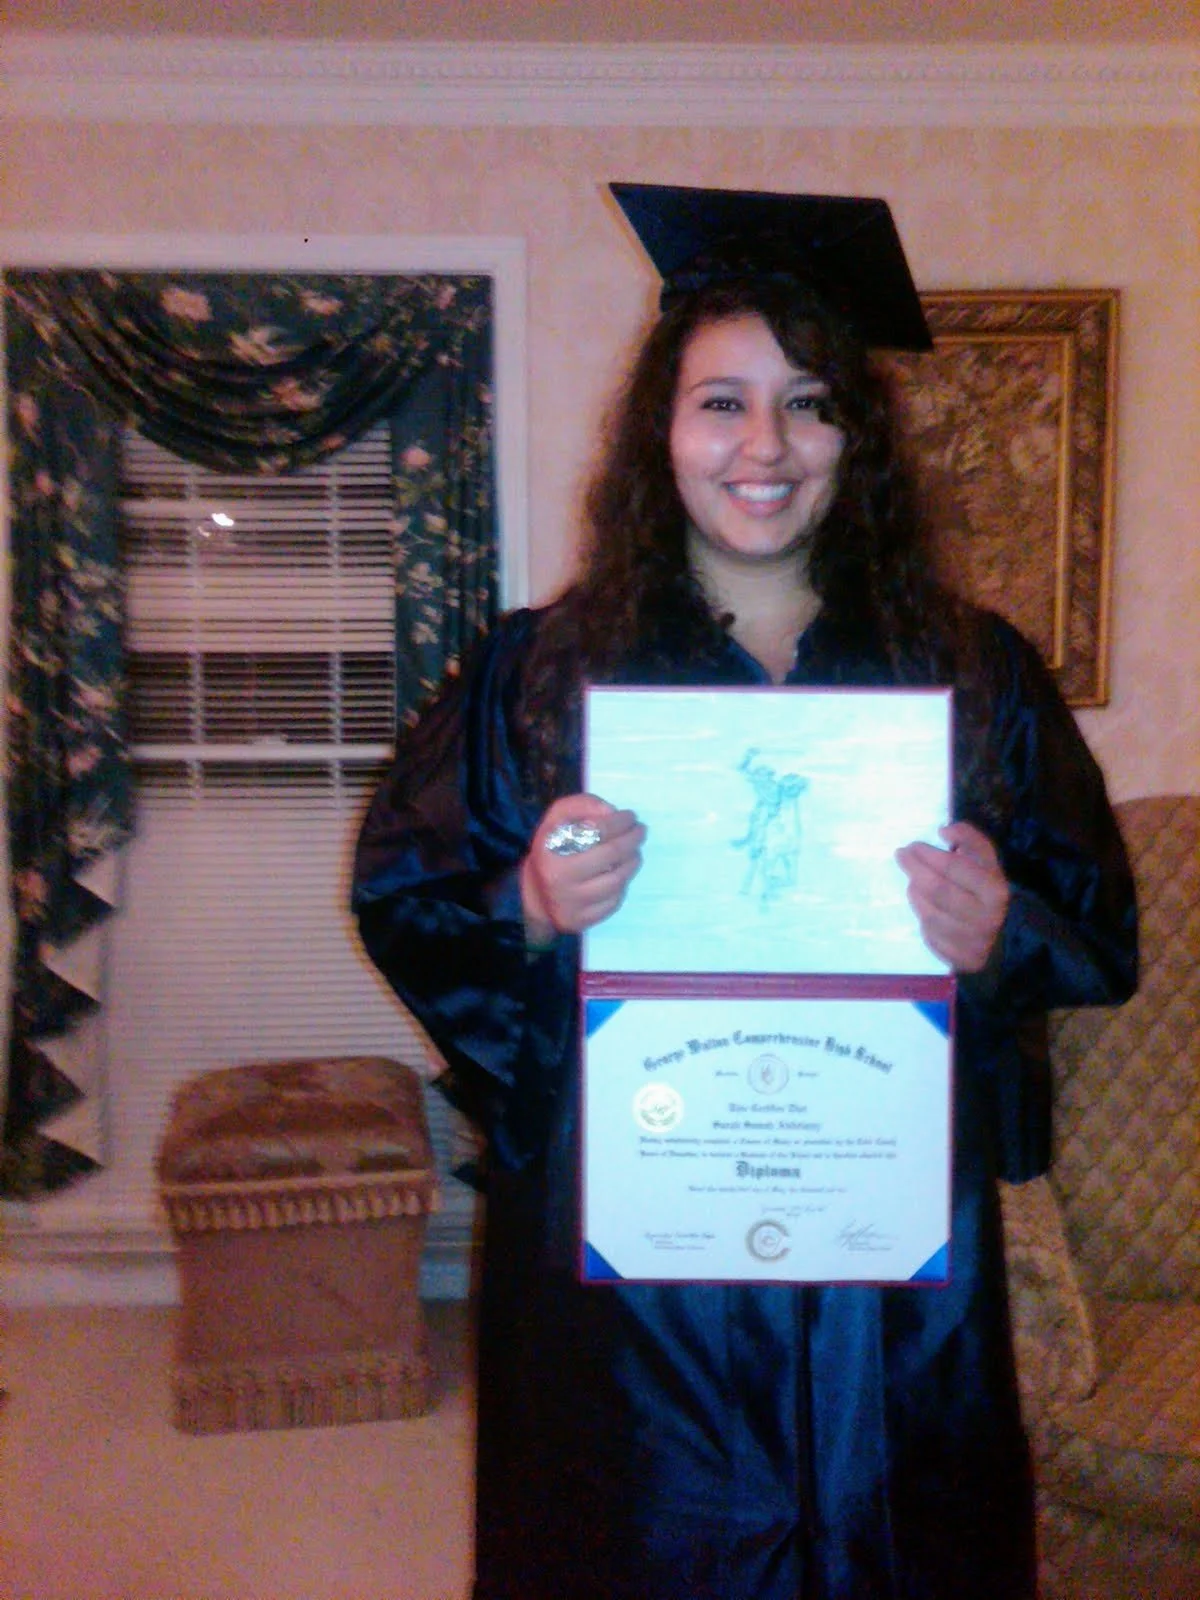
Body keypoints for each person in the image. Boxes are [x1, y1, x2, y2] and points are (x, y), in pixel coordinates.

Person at [352, 183, 1138, 1600]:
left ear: (860, 440)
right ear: (663, 434)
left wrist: (999, 931)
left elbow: (1100, 934)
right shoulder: (540, 674)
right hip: (629, 1262)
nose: (764, 445)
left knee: (891, 1541)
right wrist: (527, 902)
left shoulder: (973, 673)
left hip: (883, 1258)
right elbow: (405, 893)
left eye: (810, 403)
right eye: (723, 402)